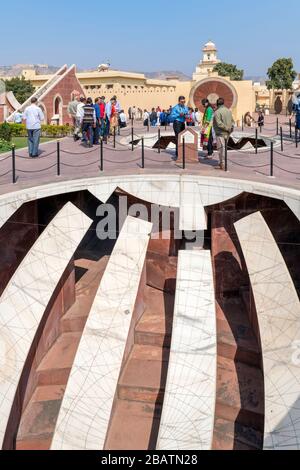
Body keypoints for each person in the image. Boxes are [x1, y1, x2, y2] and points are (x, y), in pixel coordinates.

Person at [213, 98, 235, 170]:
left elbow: (219, 124)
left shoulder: (217, 112)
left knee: (221, 149)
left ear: (217, 104)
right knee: (224, 148)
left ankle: (222, 163)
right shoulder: (228, 111)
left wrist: (227, 128)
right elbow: (232, 121)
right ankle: (222, 162)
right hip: (227, 133)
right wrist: (231, 128)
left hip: (220, 133)